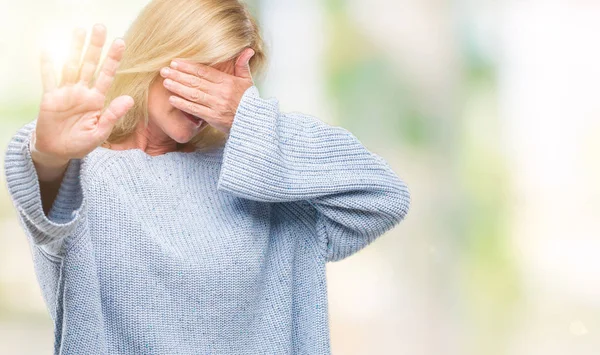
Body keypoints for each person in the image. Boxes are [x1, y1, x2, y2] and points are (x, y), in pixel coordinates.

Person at [3, 0, 411, 354]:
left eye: (226, 82)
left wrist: (249, 120)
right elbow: (46, 202)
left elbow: (382, 195)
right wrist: (49, 153)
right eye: (200, 74)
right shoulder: (83, 173)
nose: (208, 98)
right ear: (157, 54)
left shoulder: (263, 178)